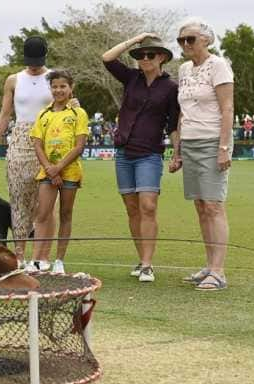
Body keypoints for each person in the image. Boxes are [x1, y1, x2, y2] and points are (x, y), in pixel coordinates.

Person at [102, 34, 180, 282]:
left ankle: (148, 264)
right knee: (132, 209)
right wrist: (136, 40)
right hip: (124, 152)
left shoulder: (171, 88)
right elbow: (107, 57)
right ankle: (141, 259)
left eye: (150, 55)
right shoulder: (131, 78)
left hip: (149, 154)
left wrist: (177, 153)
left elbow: (173, 125)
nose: (144, 59)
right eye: (141, 55)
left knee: (148, 206)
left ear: (162, 58)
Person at [0, 36, 63, 270]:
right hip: (19, 140)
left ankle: (43, 257)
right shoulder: (13, 79)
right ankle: (19, 256)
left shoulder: (55, 78)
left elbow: (67, 104)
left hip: (49, 140)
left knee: (46, 204)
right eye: (30, 61)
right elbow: (5, 115)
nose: (34, 66)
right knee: (18, 202)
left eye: (37, 61)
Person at [171, 17, 234, 291]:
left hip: (212, 141)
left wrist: (223, 147)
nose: (185, 44)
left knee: (213, 205)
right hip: (191, 141)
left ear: (206, 40)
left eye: (191, 39)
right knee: (200, 206)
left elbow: (227, 108)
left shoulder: (218, 65)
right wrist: (178, 149)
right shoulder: (184, 69)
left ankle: (219, 272)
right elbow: (183, 112)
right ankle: (209, 266)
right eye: (181, 40)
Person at [29, 69, 89, 274]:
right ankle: (36, 260)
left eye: (63, 86)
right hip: (47, 172)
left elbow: (79, 146)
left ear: (71, 88)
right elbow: (37, 144)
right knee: (42, 213)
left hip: (69, 172)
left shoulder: (78, 113)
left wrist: (59, 168)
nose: (58, 90)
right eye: (54, 86)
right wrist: (49, 169)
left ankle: (59, 261)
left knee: (65, 214)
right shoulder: (43, 113)